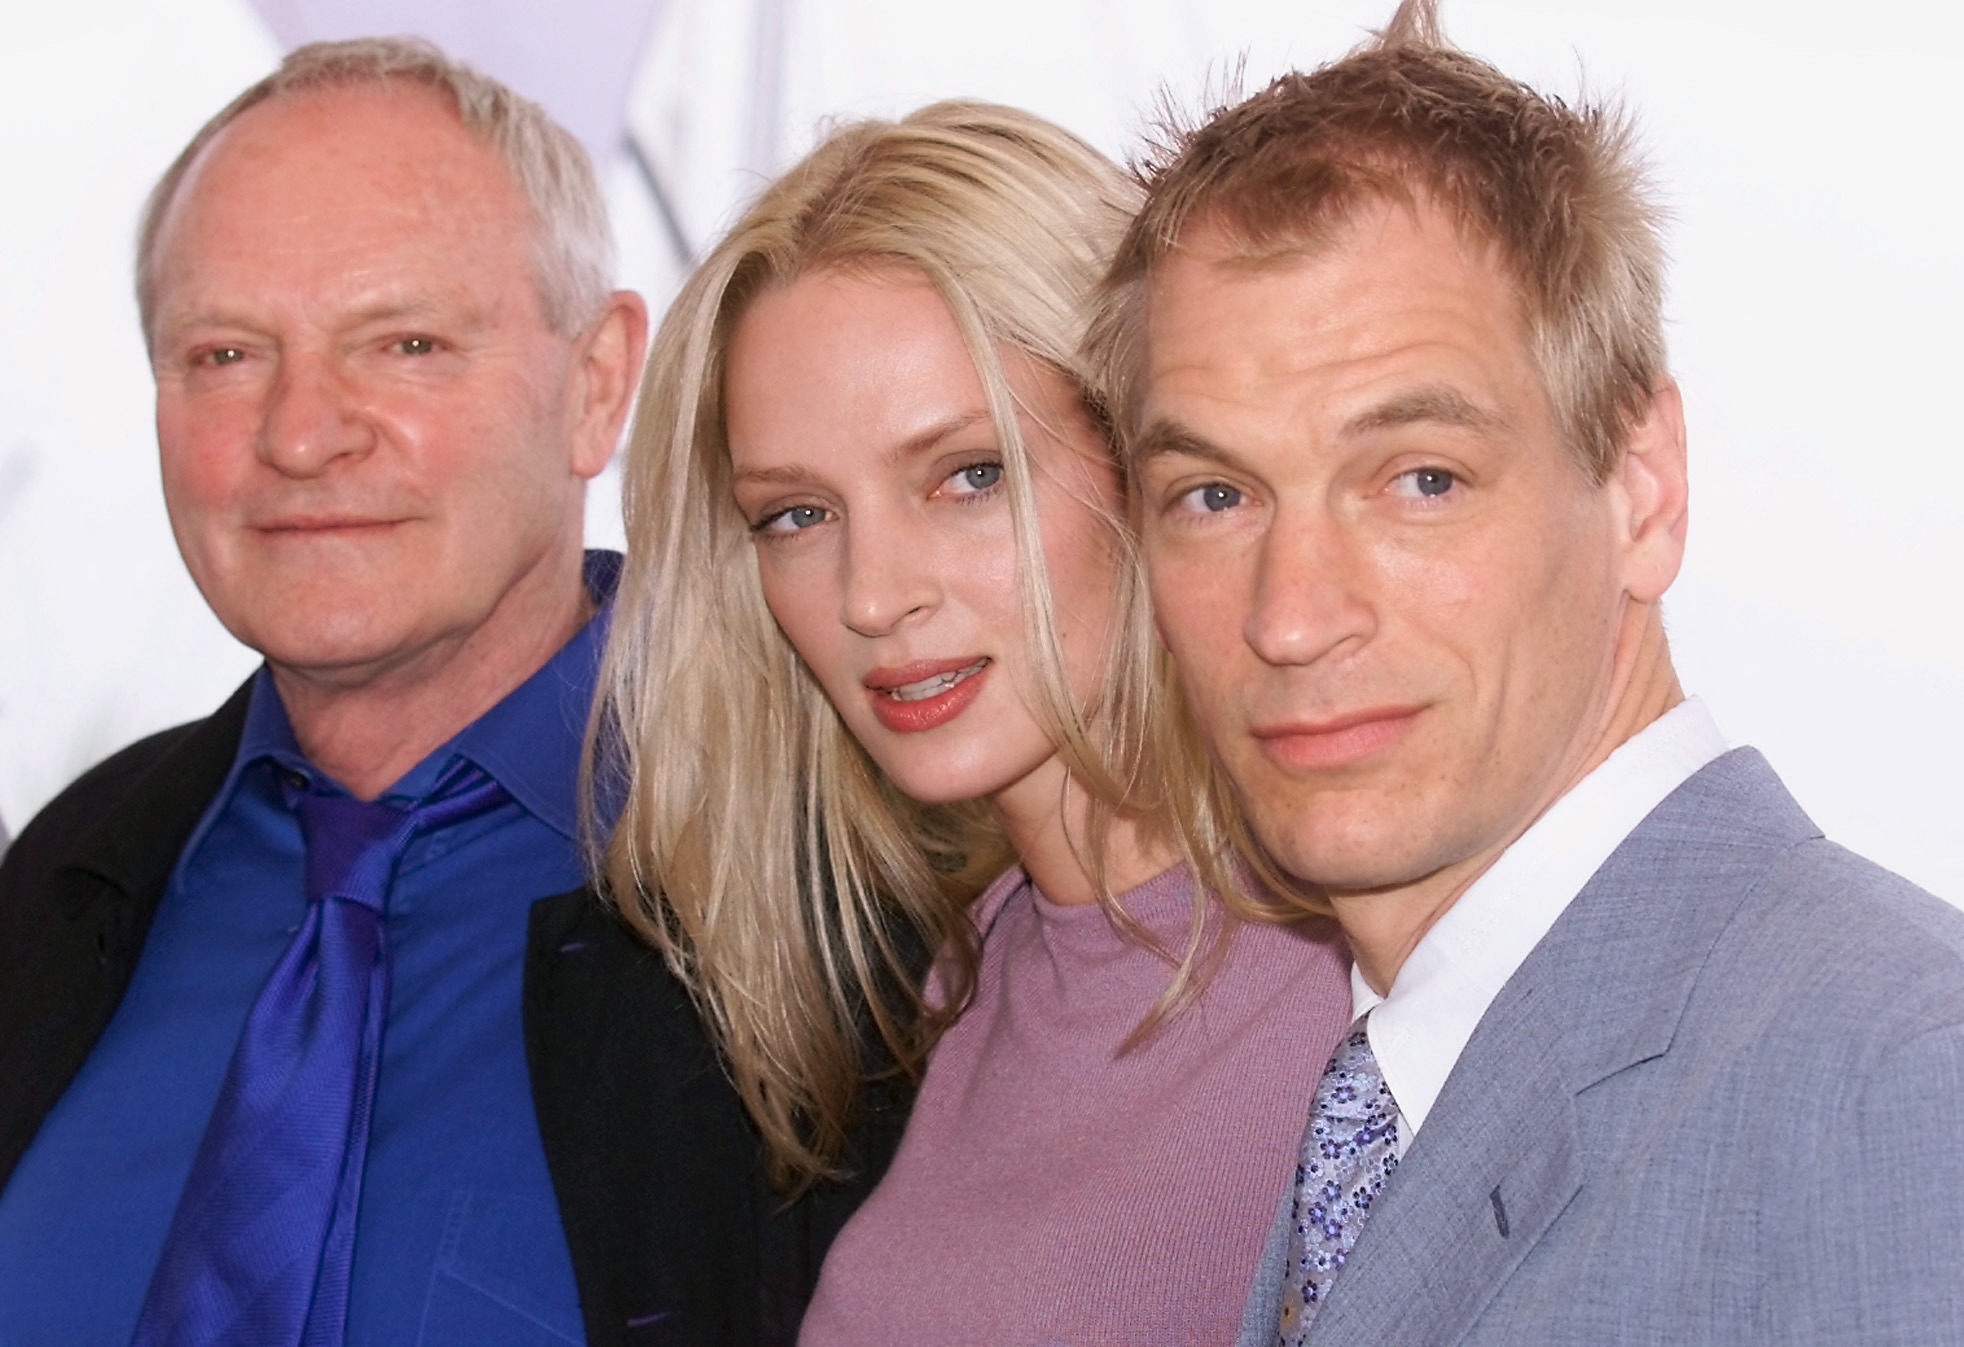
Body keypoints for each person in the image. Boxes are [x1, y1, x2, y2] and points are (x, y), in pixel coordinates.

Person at [1084, 2, 1964, 1343]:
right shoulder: (1386, 1083)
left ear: (1642, 486)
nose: (1293, 614)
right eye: (1214, 495)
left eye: (1420, 478)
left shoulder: (1902, 1086)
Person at [0, 38, 897, 1346]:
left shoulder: (842, 892)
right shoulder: (77, 873)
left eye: (405, 342)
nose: (302, 432)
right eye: (224, 354)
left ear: (596, 384)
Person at [596, 101, 1351, 1345]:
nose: (872, 595)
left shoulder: (1357, 994)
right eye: (795, 514)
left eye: (967, 475)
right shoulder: (966, 976)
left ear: (1145, 448)